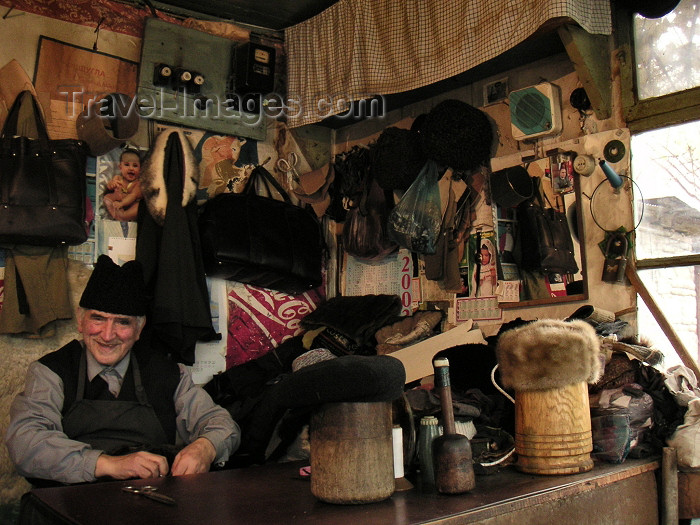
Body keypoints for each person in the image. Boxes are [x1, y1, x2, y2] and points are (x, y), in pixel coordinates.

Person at [5, 255, 240, 485]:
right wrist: (111, 465)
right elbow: (26, 443)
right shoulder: (51, 371)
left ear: (139, 328)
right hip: (67, 504)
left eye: (122, 322)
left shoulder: (168, 374)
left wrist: (205, 447)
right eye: (98, 319)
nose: (107, 335)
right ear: (80, 320)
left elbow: (222, 425)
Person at [103, 148, 143, 222]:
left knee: (140, 206)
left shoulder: (137, 183)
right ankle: (117, 214)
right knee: (107, 197)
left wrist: (121, 203)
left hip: (131, 205)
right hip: (118, 205)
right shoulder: (118, 178)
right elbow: (109, 187)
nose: (131, 168)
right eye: (127, 165)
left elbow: (133, 196)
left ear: (140, 169)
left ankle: (124, 216)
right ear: (120, 167)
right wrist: (111, 185)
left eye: (135, 166)